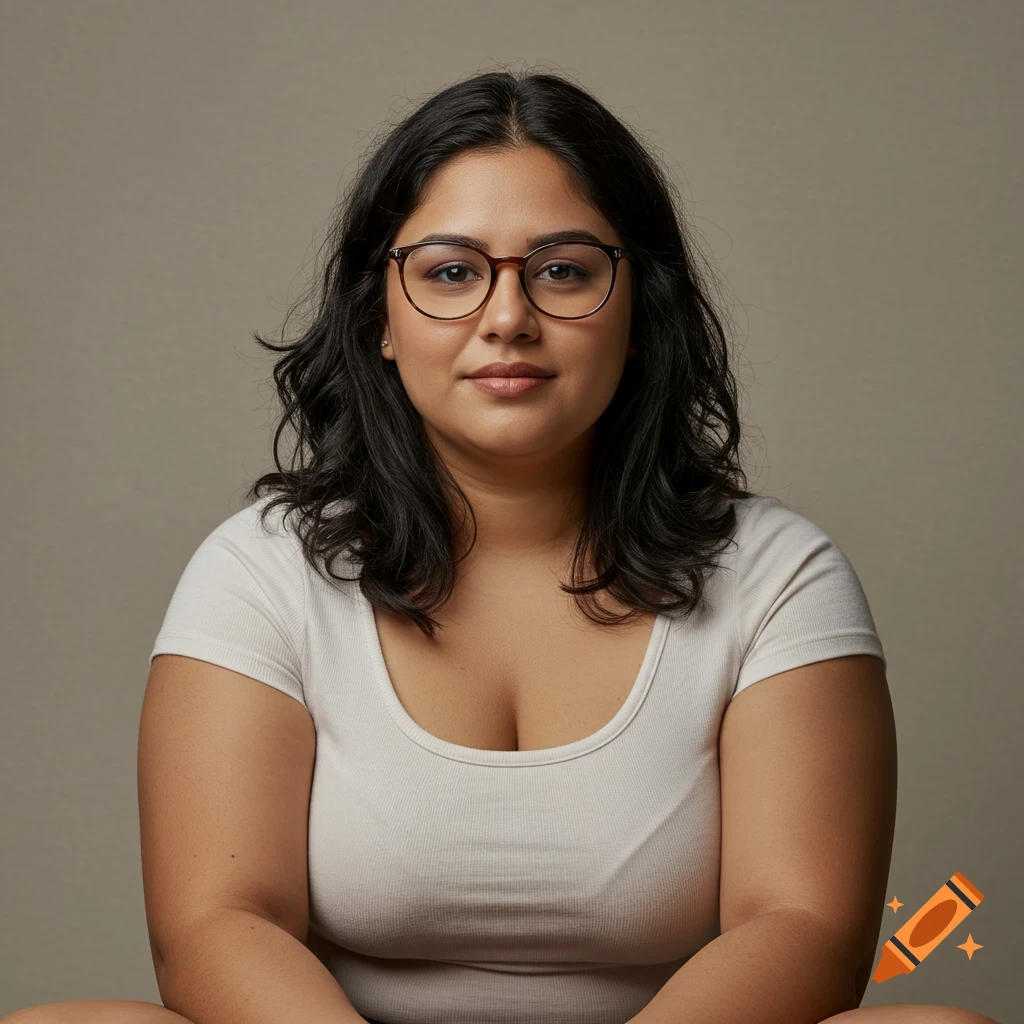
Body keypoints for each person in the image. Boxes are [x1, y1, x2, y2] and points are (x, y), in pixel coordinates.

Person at [4, 68, 1000, 1024]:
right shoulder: (259, 572)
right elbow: (215, 925)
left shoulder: (779, 573)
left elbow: (806, 930)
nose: (509, 318)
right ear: (380, 316)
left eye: (564, 270)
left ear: (640, 315)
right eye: (451, 272)